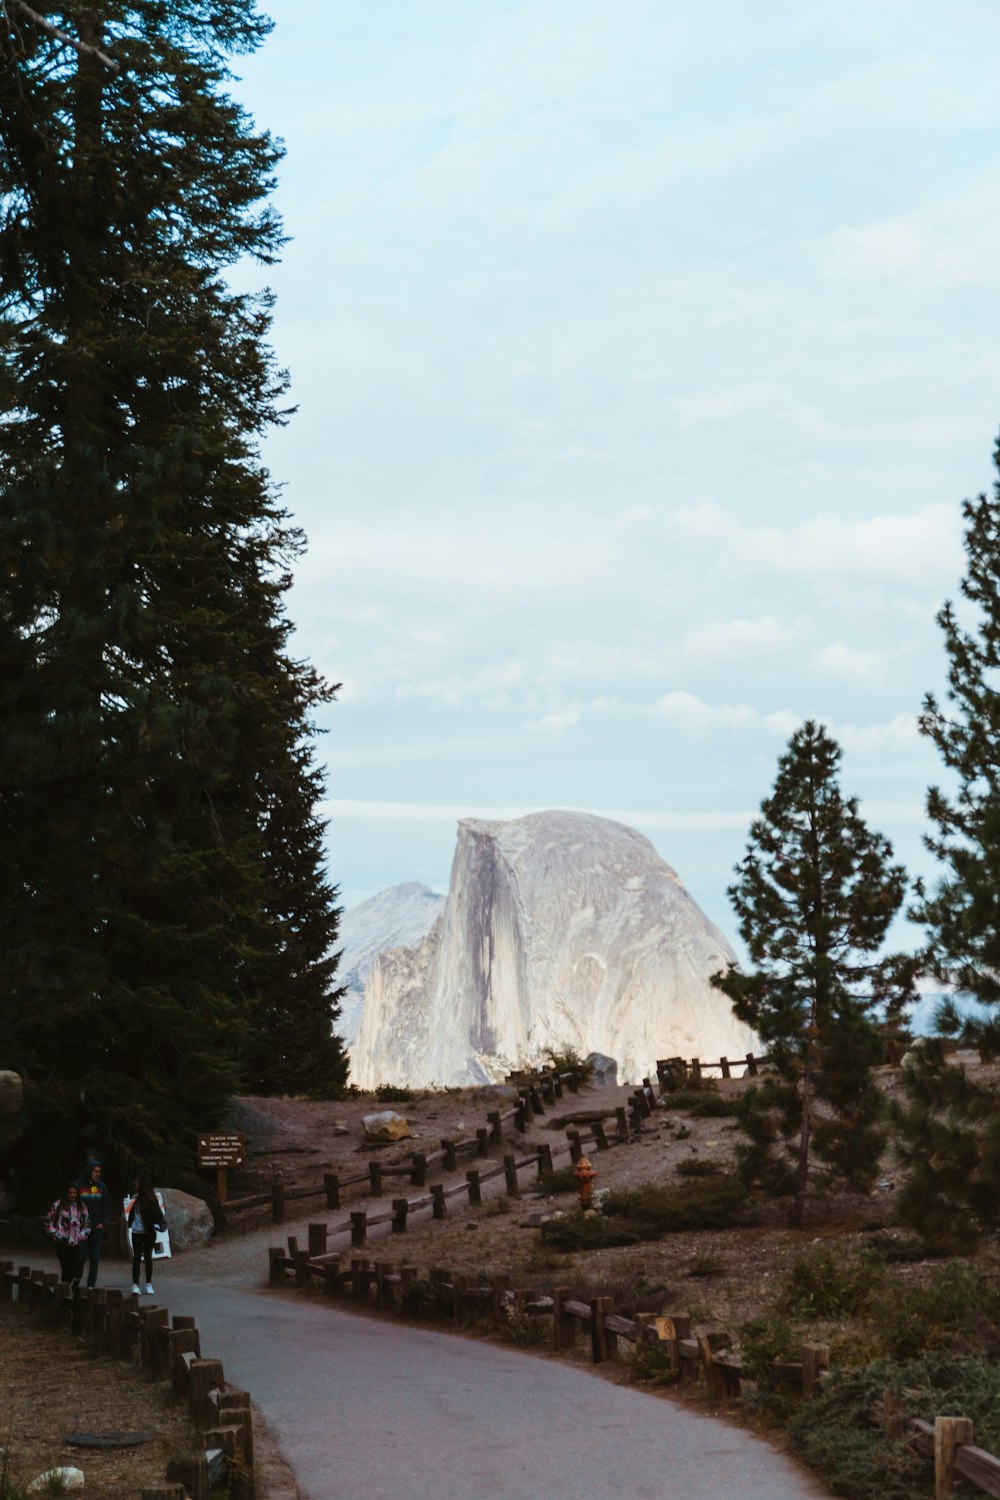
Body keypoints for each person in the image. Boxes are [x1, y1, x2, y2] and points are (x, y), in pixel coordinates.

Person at [126, 1174, 166, 1295]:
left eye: (137, 1182)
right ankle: (135, 1285)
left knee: (148, 1257)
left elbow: (157, 1213)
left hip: (149, 1232)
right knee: (137, 1257)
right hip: (136, 1232)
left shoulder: (151, 1198)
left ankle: (149, 1284)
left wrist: (156, 1225)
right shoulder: (134, 1197)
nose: (135, 1184)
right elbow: (131, 1212)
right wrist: (130, 1223)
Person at [44, 1183, 91, 1285]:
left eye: (74, 1193)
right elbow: (48, 1220)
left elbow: (87, 1224)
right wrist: (55, 1233)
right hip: (60, 1241)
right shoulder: (58, 1204)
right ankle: (63, 1291)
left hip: (74, 1241)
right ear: (66, 1193)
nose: (72, 1195)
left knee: (74, 1266)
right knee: (65, 1266)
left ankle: (67, 1287)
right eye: (70, 1193)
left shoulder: (81, 1206)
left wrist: (80, 1236)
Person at [75, 1159, 111, 1289]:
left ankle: (91, 1286)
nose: (98, 1174)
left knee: (95, 1258)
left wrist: (104, 1222)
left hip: (96, 1228)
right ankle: (77, 1279)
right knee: (80, 1257)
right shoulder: (78, 1185)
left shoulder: (102, 1187)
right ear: (89, 1171)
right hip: (81, 1229)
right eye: (95, 1171)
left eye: (99, 1172)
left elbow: (107, 1205)